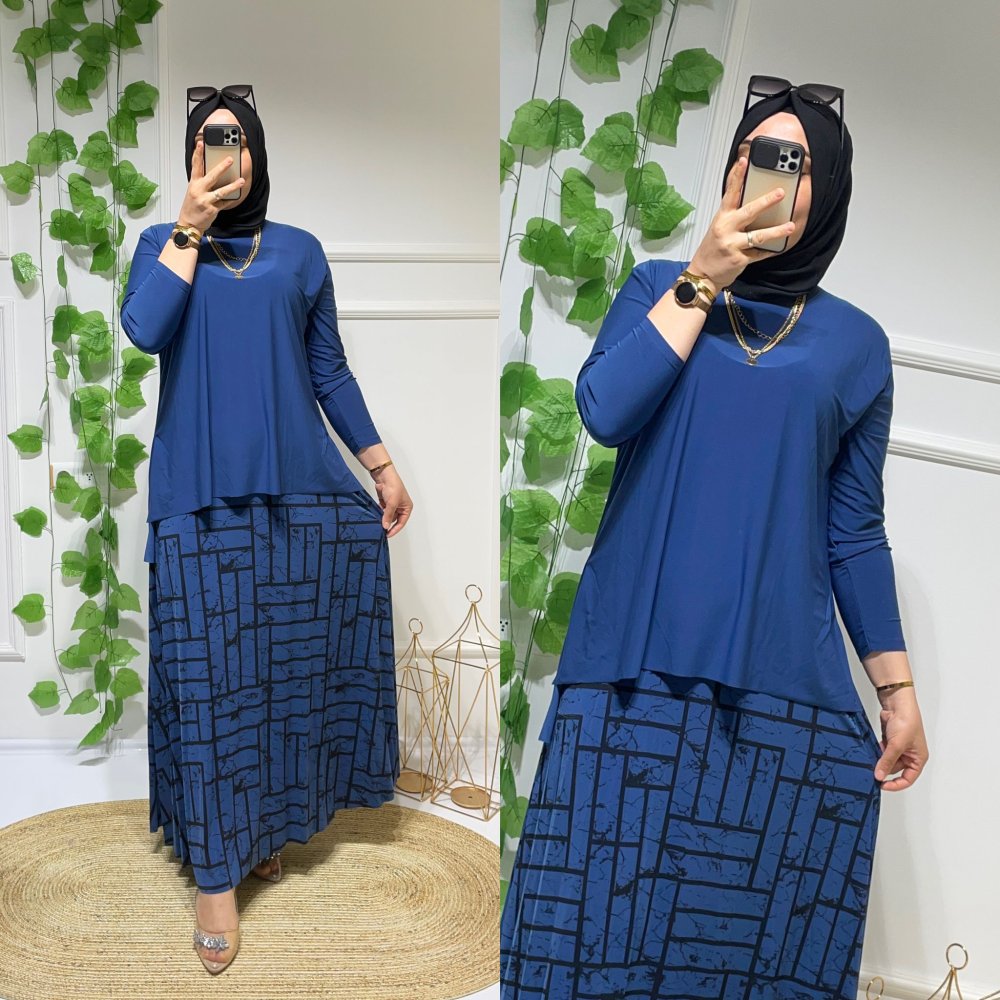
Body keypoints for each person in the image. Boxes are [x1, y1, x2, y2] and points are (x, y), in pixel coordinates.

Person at [500, 78, 929, 999]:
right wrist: (702, 278)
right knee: (584, 932)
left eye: (794, 163)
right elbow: (605, 410)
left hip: (778, 686)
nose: (768, 176)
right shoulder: (658, 287)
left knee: (739, 950)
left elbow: (854, 530)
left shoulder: (857, 345)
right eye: (753, 155)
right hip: (630, 667)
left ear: (828, 189)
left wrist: (897, 691)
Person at [120, 85, 414, 974]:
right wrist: (188, 226)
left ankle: (262, 827)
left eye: (238, 140)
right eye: (209, 141)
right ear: (191, 158)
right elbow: (143, 330)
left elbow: (329, 371)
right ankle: (215, 877)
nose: (225, 155)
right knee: (208, 687)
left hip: (297, 498)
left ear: (258, 154)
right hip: (197, 501)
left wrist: (381, 466)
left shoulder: (299, 252)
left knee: (277, 681)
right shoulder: (161, 245)